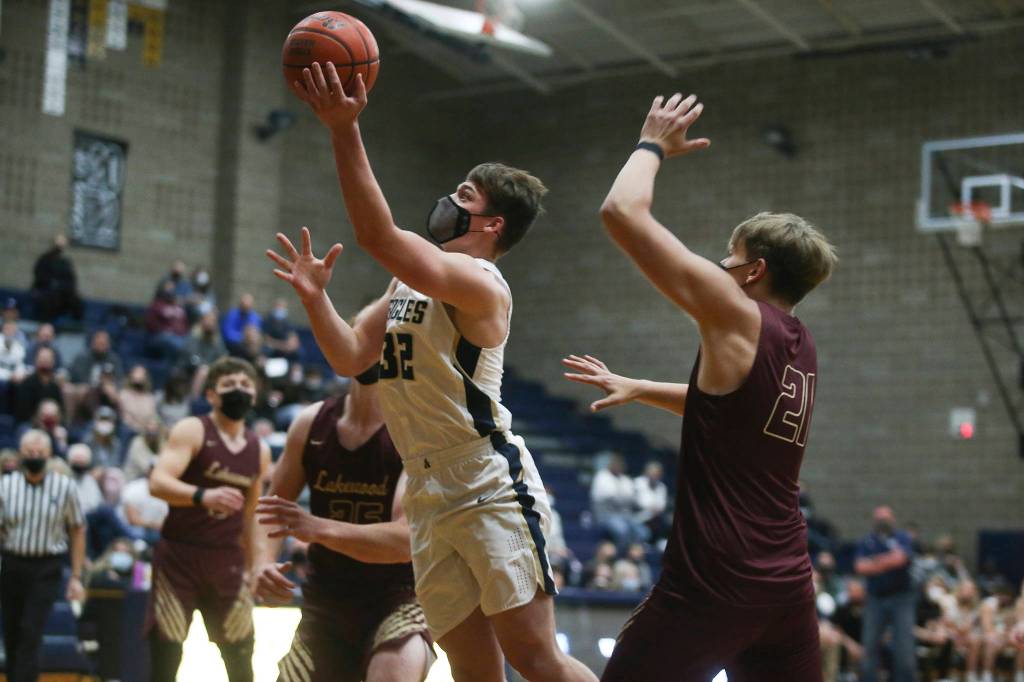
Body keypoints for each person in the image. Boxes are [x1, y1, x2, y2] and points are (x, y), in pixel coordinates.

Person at [271, 61, 595, 682]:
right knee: (472, 670)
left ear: (492, 224)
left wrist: (345, 128)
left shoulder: (480, 282)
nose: (448, 201)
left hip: (485, 477)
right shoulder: (405, 283)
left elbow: (376, 233)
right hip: (425, 490)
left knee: (534, 656)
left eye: (465, 197)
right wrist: (315, 298)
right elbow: (348, 356)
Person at [561, 93, 837, 681]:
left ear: (754, 270)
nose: (722, 267)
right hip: (786, 586)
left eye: (728, 258)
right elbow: (731, 410)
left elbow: (621, 213)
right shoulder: (801, 344)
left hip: (716, 581)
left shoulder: (738, 314)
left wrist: (651, 145)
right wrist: (640, 387)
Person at [251, 355, 434, 682]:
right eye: (367, 338)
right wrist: (262, 563)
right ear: (348, 345)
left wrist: (318, 528)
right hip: (326, 603)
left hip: (398, 597)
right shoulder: (312, 422)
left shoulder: (415, 429)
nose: (376, 351)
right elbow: (271, 508)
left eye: (385, 343)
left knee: (393, 672)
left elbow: (404, 541)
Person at [147, 356, 270, 682]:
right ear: (212, 395)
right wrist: (203, 495)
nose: (239, 390)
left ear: (255, 395)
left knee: (242, 655)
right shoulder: (192, 429)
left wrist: (255, 566)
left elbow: (252, 515)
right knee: (166, 652)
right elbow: (158, 482)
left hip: (227, 560)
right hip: (180, 557)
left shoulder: (259, 449)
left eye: (245, 385)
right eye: (229, 385)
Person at [0, 429, 86, 682]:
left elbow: (78, 529)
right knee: (13, 634)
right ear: (20, 454)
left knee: (31, 631)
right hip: (12, 563)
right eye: (30, 452)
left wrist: (76, 576)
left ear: (49, 455)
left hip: (46, 567)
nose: (35, 455)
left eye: (40, 452)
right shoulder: (6, 486)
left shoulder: (64, 486)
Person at [855, 505, 916, 682]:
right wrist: (888, 560)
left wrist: (875, 562)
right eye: (879, 518)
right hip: (875, 599)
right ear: (874, 521)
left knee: (904, 648)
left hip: (901, 598)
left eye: (886, 518)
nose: (883, 521)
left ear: (893, 519)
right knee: (870, 646)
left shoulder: (902, 537)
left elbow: (902, 558)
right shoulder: (867, 541)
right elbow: (860, 567)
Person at [590, 452, 647, 553]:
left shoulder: (625, 479)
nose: (618, 467)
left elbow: (632, 497)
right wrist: (623, 496)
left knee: (642, 532)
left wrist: (622, 496)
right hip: (606, 515)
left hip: (625, 515)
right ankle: (622, 554)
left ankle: (634, 553)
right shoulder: (602, 477)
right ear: (611, 465)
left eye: (620, 465)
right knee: (622, 530)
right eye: (616, 464)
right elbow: (608, 496)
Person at [31, 234, 83, 323]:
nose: (60, 247)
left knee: (78, 302)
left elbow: (71, 279)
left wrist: (64, 287)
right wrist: (53, 284)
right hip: (46, 292)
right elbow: (40, 277)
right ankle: (45, 326)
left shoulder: (65, 262)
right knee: (49, 300)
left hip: (63, 293)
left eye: (62, 245)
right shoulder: (44, 259)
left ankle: (74, 328)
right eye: (58, 244)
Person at [14, 347, 63, 425]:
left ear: (53, 362)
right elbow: (22, 413)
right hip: (29, 424)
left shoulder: (55, 386)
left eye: (48, 359)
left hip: (52, 425)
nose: (45, 361)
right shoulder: (27, 383)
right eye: (42, 358)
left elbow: (61, 410)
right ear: (36, 360)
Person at [633, 460, 668, 542]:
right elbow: (639, 503)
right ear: (646, 473)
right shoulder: (638, 482)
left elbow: (662, 505)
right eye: (653, 474)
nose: (654, 476)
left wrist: (655, 508)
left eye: (657, 474)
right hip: (639, 517)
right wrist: (651, 507)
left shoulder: (662, 486)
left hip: (656, 518)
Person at [67, 443, 104, 514]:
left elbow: (98, 503)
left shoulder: (91, 480)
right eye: (77, 460)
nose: (80, 464)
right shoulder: (65, 480)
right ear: (70, 461)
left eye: (82, 461)